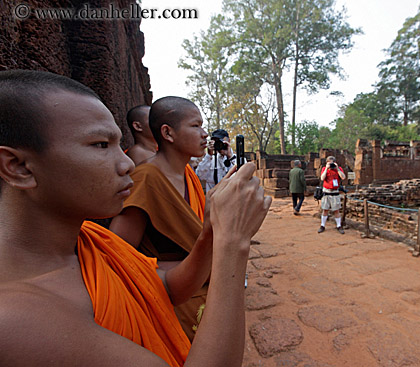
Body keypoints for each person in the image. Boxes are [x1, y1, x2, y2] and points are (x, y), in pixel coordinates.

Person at [0, 69, 271, 367]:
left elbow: (166, 288)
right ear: (19, 167)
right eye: (101, 145)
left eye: (119, 144)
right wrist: (233, 244)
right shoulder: (16, 319)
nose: (128, 163)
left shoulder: (90, 243)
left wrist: (212, 233)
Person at [110, 96, 209, 341]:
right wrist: (180, 269)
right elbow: (116, 253)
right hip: (169, 300)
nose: (205, 133)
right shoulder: (147, 179)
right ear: (168, 133)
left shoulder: (189, 176)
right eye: (195, 126)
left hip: (201, 292)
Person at [318, 156, 346, 234]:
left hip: (335, 192)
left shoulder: (338, 169)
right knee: (325, 210)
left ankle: (339, 225)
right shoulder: (324, 169)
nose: (331, 165)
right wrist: (327, 168)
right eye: (329, 163)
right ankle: (322, 225)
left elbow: (343, 177)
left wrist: (337, 169)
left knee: (336, 210)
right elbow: (322, 178)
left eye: (332, 163)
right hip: (326, 192)